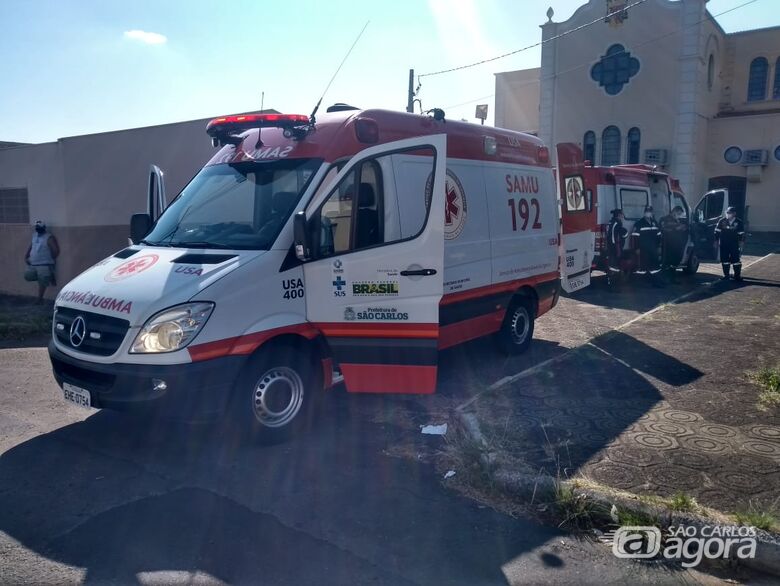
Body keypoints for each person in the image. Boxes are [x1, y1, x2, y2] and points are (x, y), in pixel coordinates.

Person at [24, 220, 59, 302]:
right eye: (37, 227)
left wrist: (51, 259)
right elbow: (31, 246)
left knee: (42, 281)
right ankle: (49, 276)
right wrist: (26, 256)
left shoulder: (49, 237)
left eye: (39, 227)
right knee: (28, 276)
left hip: (44, 263)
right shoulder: (34, 235)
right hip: (33, 263)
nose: (38, 229)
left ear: (44, 228)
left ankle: (39, 299)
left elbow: (55, 250)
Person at [631, 205, 663, 286]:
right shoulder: (639, 223)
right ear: (644, 212)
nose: (648, 213)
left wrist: (659, 246)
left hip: (653, 248)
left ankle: (656, 282)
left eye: (650, 211)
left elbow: (659, 235)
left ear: (652, 213)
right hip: (643, 249)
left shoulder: (654, 222)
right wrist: (636, 248)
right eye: (647, 211)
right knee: (642, 266)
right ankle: (640, 283)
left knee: (655, 266)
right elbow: (634, 237)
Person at [714, 206, 745, 281]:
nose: (728, 214)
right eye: (727, 213)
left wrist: (741, 244)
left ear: (734, 213)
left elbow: (741, 234)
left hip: (734, 244)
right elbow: (717, 232)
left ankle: (737, 276)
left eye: (730, 213)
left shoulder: (739, 222)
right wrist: (715, 241)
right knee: (724, 260)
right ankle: (726, 275)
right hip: (724, 244)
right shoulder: (722, 221)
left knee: (736, 260)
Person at [659, 205, 687, 282]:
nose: (679, 215)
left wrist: (682, 229)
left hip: (675, 245)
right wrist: (676, 228)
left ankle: (672, 279)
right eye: (678, 213)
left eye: (680, 214)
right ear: (674, 211)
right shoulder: (665, 219)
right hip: (667, 245)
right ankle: (664, 279)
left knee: (674, 263)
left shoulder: (676, 220)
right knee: (666, 262)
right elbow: (664, 229)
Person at [606, 208, 628, 284]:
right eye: (622, 214)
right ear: (619, 215)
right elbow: (619, 235)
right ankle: (614, 284)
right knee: (614, 266)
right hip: (615, 248)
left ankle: (611, 282)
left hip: (611, 247)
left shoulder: (611, 222)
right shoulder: (617, 223)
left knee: (611, 265)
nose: (623, 216)